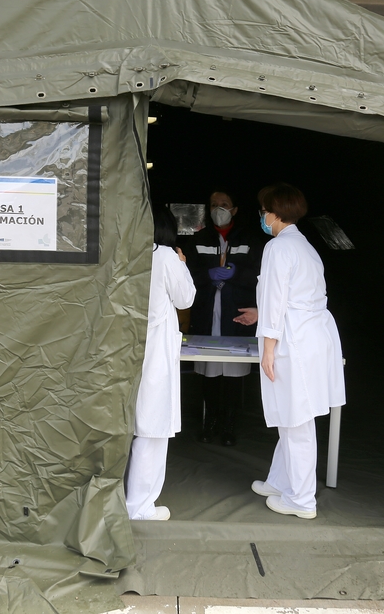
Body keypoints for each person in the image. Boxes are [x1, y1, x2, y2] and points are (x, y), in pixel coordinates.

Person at [234, 183, 344, 520]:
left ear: (274, 212)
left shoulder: (278, 247)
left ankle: (301, 500)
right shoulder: (304, 245)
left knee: (296, 422)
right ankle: (281, 482)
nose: (262, 216)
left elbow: (277, 301)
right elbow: (292, 299)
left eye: (264, 209)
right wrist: (260, 313)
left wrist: (267, 349)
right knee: (292, 418)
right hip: (310, 337)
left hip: (294, 342)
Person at [125, 205, 196, 521]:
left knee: (137, 427)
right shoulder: (166, 256)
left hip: (130, 350)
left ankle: (133, 502)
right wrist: (183, 264)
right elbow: (186, 299)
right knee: (152, 431)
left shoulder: (129, 254)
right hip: (155, 356)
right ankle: (139, 506)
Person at [185, 190, 263, 446]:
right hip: (206, 314)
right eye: (214, 205)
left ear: (235, 209)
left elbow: (260, 276)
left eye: (224, 205)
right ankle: (210, 423)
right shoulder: (199, 238)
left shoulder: (250, 239)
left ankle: (229, 425)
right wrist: (209, 275)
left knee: (233, 375)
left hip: (236, 315)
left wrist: (236, 274)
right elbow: (185, 276)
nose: (219, 209)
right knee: (209, 374)